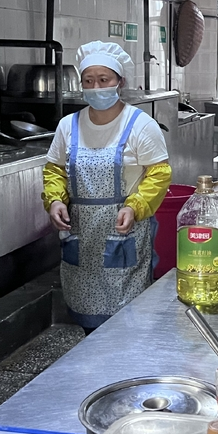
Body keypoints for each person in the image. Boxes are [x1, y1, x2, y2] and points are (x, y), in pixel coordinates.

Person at [42, 41, 172, 329]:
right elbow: (54, 170)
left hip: (123, 232)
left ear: (119, 82)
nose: (96, 87)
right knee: (85, 317)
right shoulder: (68, 125)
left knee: (128, 318)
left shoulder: (140, 124)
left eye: (104, 80)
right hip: (81, 233)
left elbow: (159, 174)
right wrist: (55, 201)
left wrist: (136, 206)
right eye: (88, 81)